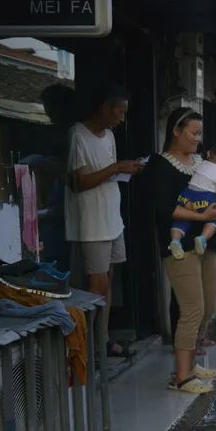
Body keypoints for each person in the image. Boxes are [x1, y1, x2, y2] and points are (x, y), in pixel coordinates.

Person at [143, 107, 216, 394]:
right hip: (179, 247)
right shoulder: (160, 165)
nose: (198, 140)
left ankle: (188, 361)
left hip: (207, 244)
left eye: (200, 134)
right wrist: (202, 217)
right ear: (176, 131)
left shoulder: (202, 162)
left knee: (209, 305)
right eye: (194, 133)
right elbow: (163, 210)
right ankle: (182, 376)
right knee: (192, 308)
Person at [64, 84, 144, 358]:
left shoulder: (108, 135)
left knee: (108, 281)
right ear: (104, 108)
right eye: (119, 111)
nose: (122, 118)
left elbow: (105, 174)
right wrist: (117, 167)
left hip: (112, 218)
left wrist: (125, 169)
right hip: (91, 222)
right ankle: (84, 344)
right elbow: (79, 182)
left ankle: (103, 338)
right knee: (95, 285)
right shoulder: (77, 135)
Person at [169, 140, 216, 259]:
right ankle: (202, 238)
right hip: (206, 199)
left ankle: (175, 240)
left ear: (209, 154)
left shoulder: (202, 163)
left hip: (187, 196)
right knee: (214, 219)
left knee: (182, 221)